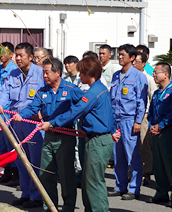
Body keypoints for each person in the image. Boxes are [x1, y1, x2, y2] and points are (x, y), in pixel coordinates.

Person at [39, 56, 120, 212]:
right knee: (88, 180)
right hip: (92, 139)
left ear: (89, 73)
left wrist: (52, 123)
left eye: (82, 73)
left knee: (93, 182)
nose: (79, 75)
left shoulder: (94, 91)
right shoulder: (96, 89)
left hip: (98, 140)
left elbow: (76, 111)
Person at [13, 58, 84, 212]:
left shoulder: (71, 89)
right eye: (43, 72)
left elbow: (84, 106)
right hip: (48, 137)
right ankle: (50, 206)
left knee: (66, 176)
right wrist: (20, 115)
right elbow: (32, 108)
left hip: (65, 137)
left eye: (47, 72)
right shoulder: (42, 92)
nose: (44, 76)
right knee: (45, 173)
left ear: (58, 73)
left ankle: (68, 207)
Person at [0, 42, 45, 208]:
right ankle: (26, 193)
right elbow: (4, 92)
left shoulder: (40, 73)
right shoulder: (14, 74)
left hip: (34, 124)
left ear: (30, 57)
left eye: (21, 55)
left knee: (35, 161)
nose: (17, 58)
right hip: (17, 124)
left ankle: (37, 196)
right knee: (21, 160)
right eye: (16, 55)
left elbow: (47, 96)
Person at [108, 44, 148, 200]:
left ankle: (134, 188)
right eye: (119, 54)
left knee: (132, 156)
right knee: (118, 156)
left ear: (132, 58)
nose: (119, 57)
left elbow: (141, 101)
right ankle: (120, 186)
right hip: (116, 121)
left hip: (130, 120)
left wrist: (138, 121)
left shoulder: (139, 77)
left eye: (123, 55)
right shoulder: (116, 75)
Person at [147, 62, 172, 208]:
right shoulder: (156, 93)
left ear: (166, 74)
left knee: (170, 165)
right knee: (158, 165)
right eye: (153, 73)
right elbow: (152, 112)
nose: (154, 75)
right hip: (155, 132)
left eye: (156, 72)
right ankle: (161, 193)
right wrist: (152, 126)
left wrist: (161, 126)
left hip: (167, 132)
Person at [0, 42, 19, 184]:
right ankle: (6, 170)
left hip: (9, 111)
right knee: (1, 142)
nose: (1, 55)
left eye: (4, 52)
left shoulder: (14, 70)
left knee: (11, 142)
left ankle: (16, 172)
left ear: (11, 54)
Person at [133, 52, 157, 186]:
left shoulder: (148, 78)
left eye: (137, 61)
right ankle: (132, 172)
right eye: (133, 61)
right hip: (130, 116)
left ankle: (146, 172)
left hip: (144, 116)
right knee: (132, 146)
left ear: (143, 64)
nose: (134, 63)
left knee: (144, 145)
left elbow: (152, 97)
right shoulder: (129, 77)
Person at [63, 55, 87, 188]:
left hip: (80, 116)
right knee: (71, 144)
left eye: (70, 63)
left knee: (80, 145)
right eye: (65, 63)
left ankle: (80, 171)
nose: (67, 66)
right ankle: (72, 170)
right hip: (69, 116)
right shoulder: (65, 79)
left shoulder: (82, 78)